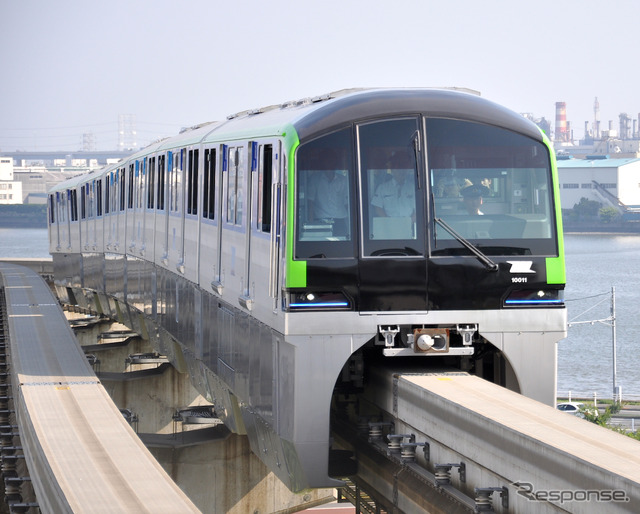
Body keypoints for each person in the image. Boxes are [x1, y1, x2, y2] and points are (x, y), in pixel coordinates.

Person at [308, 150, 349, 236]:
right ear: (322, 162)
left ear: (335, 163)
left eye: (332, 160)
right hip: (321, 220)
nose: (329, 163)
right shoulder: (315, 180)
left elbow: (347, 203)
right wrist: (311, 225)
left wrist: (350, 223)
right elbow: (310, 203)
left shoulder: (343, 180)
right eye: (327, 160)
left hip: (340, 220)